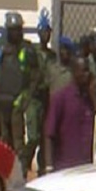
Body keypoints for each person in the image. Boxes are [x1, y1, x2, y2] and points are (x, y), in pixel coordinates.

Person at [0, 12, 39, 177]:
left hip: (17, 102)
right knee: (5, 142)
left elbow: (35, 76)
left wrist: (26, 98)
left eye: (18, 29)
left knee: (19, 143)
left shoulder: (27, 49)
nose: (16, 33)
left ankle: (19, 177)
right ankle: (6, 177)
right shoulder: (1, 48)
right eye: (12, 29)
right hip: (2, 100)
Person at [44, 57, 94, 172]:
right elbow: (49, 134)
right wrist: (49, 165)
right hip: (65, 167)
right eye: (84, 71)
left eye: (88, 71)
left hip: (86, 166)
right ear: (74, 72)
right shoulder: (60, 98)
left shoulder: (89, 100)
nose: (88, 74)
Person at [29, 14, 56, 176]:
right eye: (43, 31)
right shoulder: (33, 52)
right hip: (34, 98)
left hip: (47, 97)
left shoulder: (52, 55)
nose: (46, 35)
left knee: (45, 137)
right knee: (33, 137)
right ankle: (23, 166)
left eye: (48, 31)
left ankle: (41, 170)